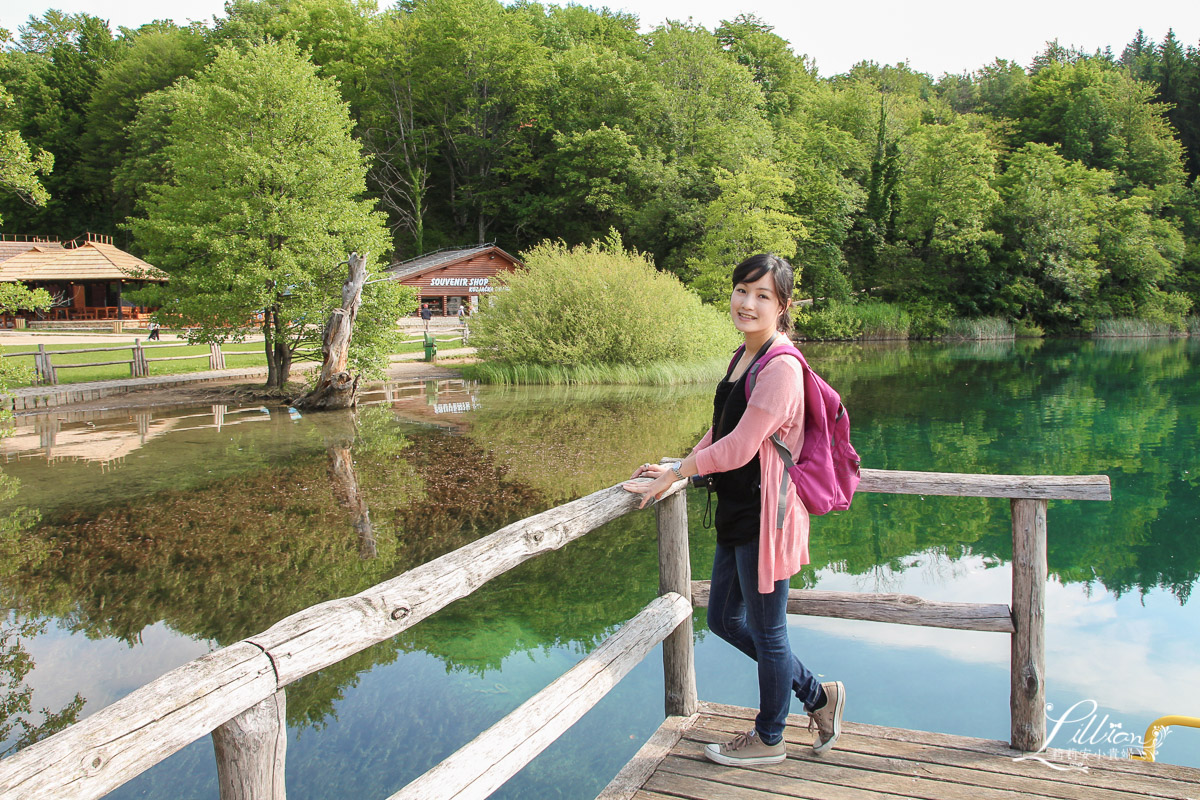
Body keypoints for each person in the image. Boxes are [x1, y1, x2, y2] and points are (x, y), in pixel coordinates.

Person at [623, 253, 844, 768]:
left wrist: (680, 473)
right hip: (738, 509)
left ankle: (771, 738)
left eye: (763, 295)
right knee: (723, 618)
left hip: (768, 516)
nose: (748, 303)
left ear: (782, 306)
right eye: (742, 290)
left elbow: (742, 448)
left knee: (769, 632)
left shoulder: (782, 367)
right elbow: (721, 432)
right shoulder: (743, 355)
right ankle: (818, 696)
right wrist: (678, 465)